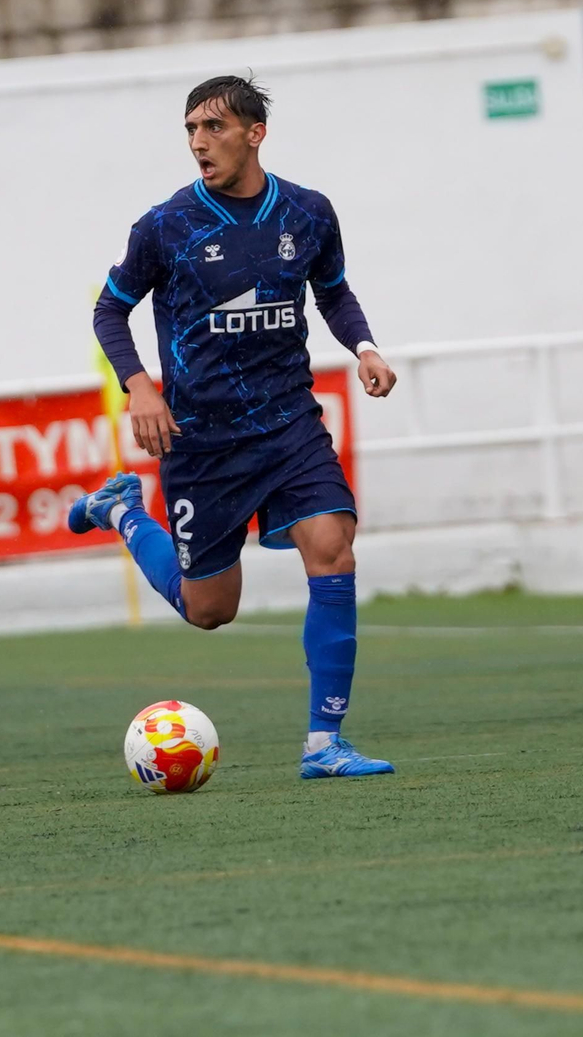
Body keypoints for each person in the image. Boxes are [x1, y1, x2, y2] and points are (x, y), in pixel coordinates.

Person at [72, 75, 395, 780]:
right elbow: (109, 311)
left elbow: (332, 290)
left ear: (255, 133)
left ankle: (324, 744)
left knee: (333, 546)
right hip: (201, 440)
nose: (198, 142)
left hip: (288, 424)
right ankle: (122, 511)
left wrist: (364, 347)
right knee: (210, 610)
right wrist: (140, 389)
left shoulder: (308, 213)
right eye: (190, 129)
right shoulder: (166, 225)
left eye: (213, 127)